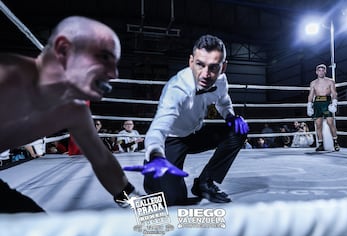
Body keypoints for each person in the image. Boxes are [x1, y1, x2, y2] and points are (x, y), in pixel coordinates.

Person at [0, 16, 185, 213]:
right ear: (64, 49)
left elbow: (101, 159)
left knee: (38, 227)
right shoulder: (6, 76)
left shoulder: (73, 110)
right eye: (105, 57)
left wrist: (133, 200)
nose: (114, 73)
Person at [126, 35, 249, 205]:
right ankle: (152, 173)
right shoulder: (177, 89)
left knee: (239, 130)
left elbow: (223, 100)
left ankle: (205, 182)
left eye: (213, 67)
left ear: (223, 67)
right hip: (172, 140)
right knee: (174, 198)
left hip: (195, 134)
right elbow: (158, 129)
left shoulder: (220, 80)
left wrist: (230, 116)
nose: (206, 74)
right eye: (200, 65)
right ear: (191, 62)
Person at [307, 64, 340, 151]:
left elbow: (334, 93)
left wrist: (334, 103)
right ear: (316, 72)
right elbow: (311, 95)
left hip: (326, 103)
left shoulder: (330, 81)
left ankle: (335, 142)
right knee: (318, 125)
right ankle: (320, 144)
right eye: (319, 70)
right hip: (317, 103)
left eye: (323, 70)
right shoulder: (313, 83)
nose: (321, 72)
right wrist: (309, 106)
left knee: (330, 123)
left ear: (325, 71)